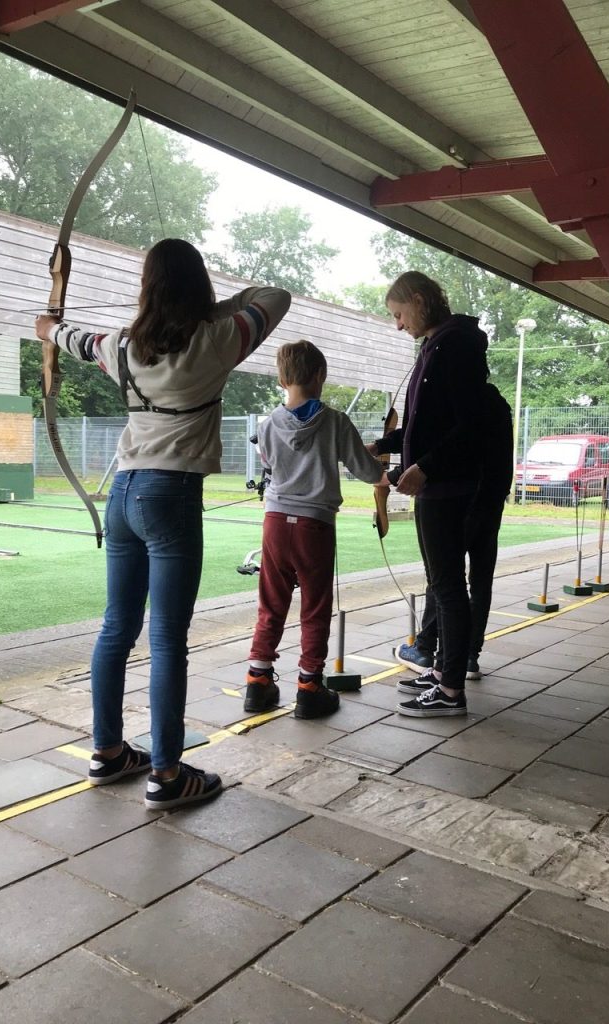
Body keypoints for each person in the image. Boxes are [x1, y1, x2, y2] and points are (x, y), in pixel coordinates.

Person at [35, 239, 291, 810]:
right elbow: (275, 296)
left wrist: (48, 327)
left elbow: (70, 338)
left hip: (124, 493)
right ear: (198, 287)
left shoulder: (122, 346)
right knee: (168, 638)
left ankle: (108, 753)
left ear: (147, 287)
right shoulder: (217, 337)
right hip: (171, 494)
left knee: (116, 627)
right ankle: (168, 776)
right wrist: (212, 307)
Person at [368, 271, 489, 717]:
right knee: (443, 583)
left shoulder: (455, 346)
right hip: (439, 483)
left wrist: (426, 467)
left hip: (447, 486)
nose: (398, 324)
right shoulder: (437, 345)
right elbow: (426, 425)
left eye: (399, 314)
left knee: (448, 586)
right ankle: (441, 673)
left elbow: (469, 425)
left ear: (418, 301)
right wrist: (382, 445)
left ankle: (451, 689)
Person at [243, 340, 386, 719]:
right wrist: (391, 473)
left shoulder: (266, 425)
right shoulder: (336, 422)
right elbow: (368, 471)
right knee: (315, 606)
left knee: (272, 602)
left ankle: (257, 682)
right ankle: (309, 687)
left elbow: (271, 465)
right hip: (315, 525)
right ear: (320, 375)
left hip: (276, 522)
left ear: (281, 379)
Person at [393, 381, 513, 685]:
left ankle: (428, 651)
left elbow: (442, 450)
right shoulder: (497, 405)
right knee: (479, 580)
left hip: (461, 500)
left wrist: (393, 473)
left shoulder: (464, 405)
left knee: (444, 579)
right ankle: (469, 655)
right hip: (491, 503)